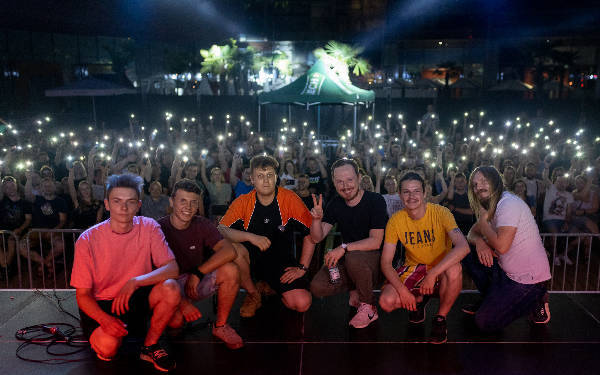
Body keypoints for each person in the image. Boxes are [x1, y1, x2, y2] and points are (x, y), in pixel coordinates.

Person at [71, 174, 180, 372]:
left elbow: (172, 268)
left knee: (171, 288)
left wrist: (135, 281)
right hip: (102, 303)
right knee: (108, 346)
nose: (123, 208)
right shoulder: (87, 239)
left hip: (135, 295)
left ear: (138, 205)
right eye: (117, 201)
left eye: (130, 202)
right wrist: (105, 320)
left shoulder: (149, 226)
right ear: (107, 204)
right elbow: (83, 295)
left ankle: (149, 346)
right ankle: (109, 338)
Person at [218, 155, 316, 318]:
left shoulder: (290, 199)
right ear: (252, 179)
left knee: (302, 304)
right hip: (251, 263)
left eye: (270, 175)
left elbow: (310, 234)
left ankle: (270, 286)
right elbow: (221, 229)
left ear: (276, 177)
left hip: (281, 262)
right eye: (260, 176)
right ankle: (253, 293)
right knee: (233, 248)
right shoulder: (243, 202)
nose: (266, 181)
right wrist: (250, 237)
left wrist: (302, 267)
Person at [379, 172, 469, 344]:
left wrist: (432, 273)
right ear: (399, 194)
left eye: (416, 191)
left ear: (425, 192)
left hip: (440, 267)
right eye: (406, 192)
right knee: (386, 302)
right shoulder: (396, 220)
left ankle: (440, 318)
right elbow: (385, 263)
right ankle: (420, 300)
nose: (411, 196)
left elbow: (463, 246)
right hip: (414, 267)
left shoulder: (441, 212)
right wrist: (404, 292)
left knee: (454, 268)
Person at [463, 166, 551, 331]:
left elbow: (502, 247)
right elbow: (471, 234)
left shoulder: (508, 203)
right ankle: (491, 299)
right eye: (475, 185)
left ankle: (537, 299)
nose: (478, 187)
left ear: (496, 180)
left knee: (484, 322)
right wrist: (480, 243)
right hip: (506, 273)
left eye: (483, 181)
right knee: (468, 251)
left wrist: (482, 223)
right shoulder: (492, 206)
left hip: (527, 281)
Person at [157, 179, 243, 349]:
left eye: (193, 202)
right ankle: (175, 316)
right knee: (175, 324)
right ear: (172, 201)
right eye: (183, 201)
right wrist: (182, 303)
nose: (188, 207)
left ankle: (220, 326)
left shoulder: (201, 223)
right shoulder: (158, 228)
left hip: (195, 279)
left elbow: (229, 251)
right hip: (170, 285)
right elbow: (154, 276)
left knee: (231, 269)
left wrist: (198, 273)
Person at [309, 158, 387, 329]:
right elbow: (317, 237)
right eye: (340, 181)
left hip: (372, 262)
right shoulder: (335, 203)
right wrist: (316, 220)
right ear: (335, 184)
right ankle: (356, 290)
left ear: (359, 178)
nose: (345, 186)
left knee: (353, 257)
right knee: (317, 286)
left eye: (350, 180)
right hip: (351, 260)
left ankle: (368, 307)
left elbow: (376, 241)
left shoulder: (375, 200)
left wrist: (343, 248)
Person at [0, 176, 32, 271]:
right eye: (7, 187)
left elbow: (28, 219)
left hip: (19, 231)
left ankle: (5, 268)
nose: (10, 189)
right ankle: (5, 266)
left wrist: (20, 229)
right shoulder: (2, 202)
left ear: (16, 186)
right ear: (4, 190)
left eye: (12, 186)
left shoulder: (25, 203)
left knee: (11, 241)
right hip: (3, 231)